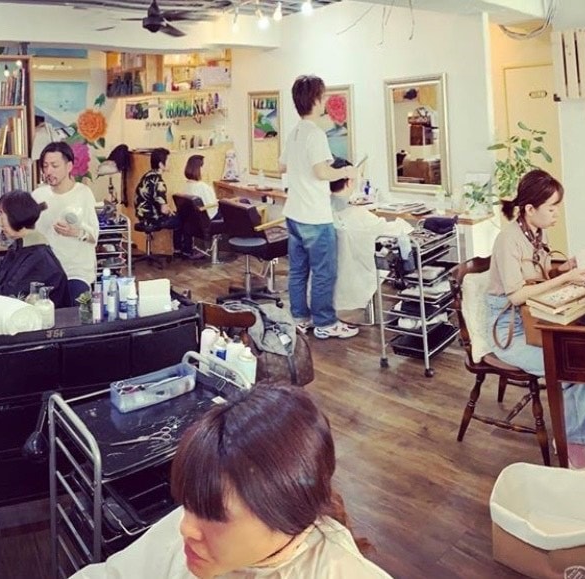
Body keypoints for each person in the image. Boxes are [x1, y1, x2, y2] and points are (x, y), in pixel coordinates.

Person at [71, 386, 392, 579]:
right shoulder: (192, 529)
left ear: (288, 517)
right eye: (188, 504)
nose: (185, 528)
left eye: (214, 516)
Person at [487, 169, 585, 469]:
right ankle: (571, 447)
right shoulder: (508, 240)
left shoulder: (539, 233)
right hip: (510, 329)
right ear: (530, 209)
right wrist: (565, 277)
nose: (556, 214)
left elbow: (539, 277)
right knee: (573, 368)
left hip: (536, 318)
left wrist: (563, 268)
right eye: (552, 208)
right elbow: (516, 295)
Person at [279, 75, 359, 340]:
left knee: (298, 271)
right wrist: (346, 171)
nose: (325, 101)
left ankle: (299, 318)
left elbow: (282, 166)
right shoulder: (315, 134)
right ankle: (325, 322)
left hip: (293, 214)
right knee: (324, 272)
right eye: (323, 96)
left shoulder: (295, 133)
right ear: (315, 99)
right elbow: (322, 172)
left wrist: (302, 168)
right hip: (314, 216)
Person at [32, 142, 99, 300]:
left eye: (54, 166)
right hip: (46, 272)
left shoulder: (83, 193)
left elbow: (94, 236)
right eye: (45, 166)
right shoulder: (38, 195)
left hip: (76, 272)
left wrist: (75, 232)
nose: (49, 171)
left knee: (78, 309)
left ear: (69, 166)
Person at [0, 190, 69, 305]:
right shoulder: (21, 245)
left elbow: (10, 296)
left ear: (17, 217)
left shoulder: (39, 258)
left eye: (2, 215)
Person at [136, 147, 190, 255]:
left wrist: (168, 209)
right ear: (161, 164)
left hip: (142, 216)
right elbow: (163, 210)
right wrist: (169, 210)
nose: (170, 164)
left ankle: (179, 250)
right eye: (168, 161)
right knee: (183, 220)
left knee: (176, 215)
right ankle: (182, 251)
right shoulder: (159, 182)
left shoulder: (147, 176)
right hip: (153, 218)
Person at [184, 154, 221, 222]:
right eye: (204, 166)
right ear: (199, 168)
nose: (206, 169)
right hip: (210, 217)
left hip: (195, 219)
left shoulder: (187, 185)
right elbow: (212, 205)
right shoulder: (202, 186)